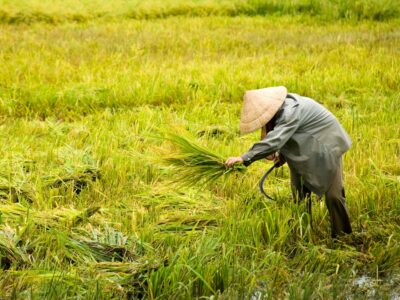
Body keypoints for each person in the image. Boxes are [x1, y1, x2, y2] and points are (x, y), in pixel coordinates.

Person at [225, 86, 352, 238]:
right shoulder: (279, 114)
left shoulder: (291, 111)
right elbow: (289, 136)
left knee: (334, 196)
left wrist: (243, 158)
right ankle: (303, 232)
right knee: (299, 193)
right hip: (303, 148)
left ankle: (343, 236)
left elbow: (275, 140)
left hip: (327, 146)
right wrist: (282, 156)